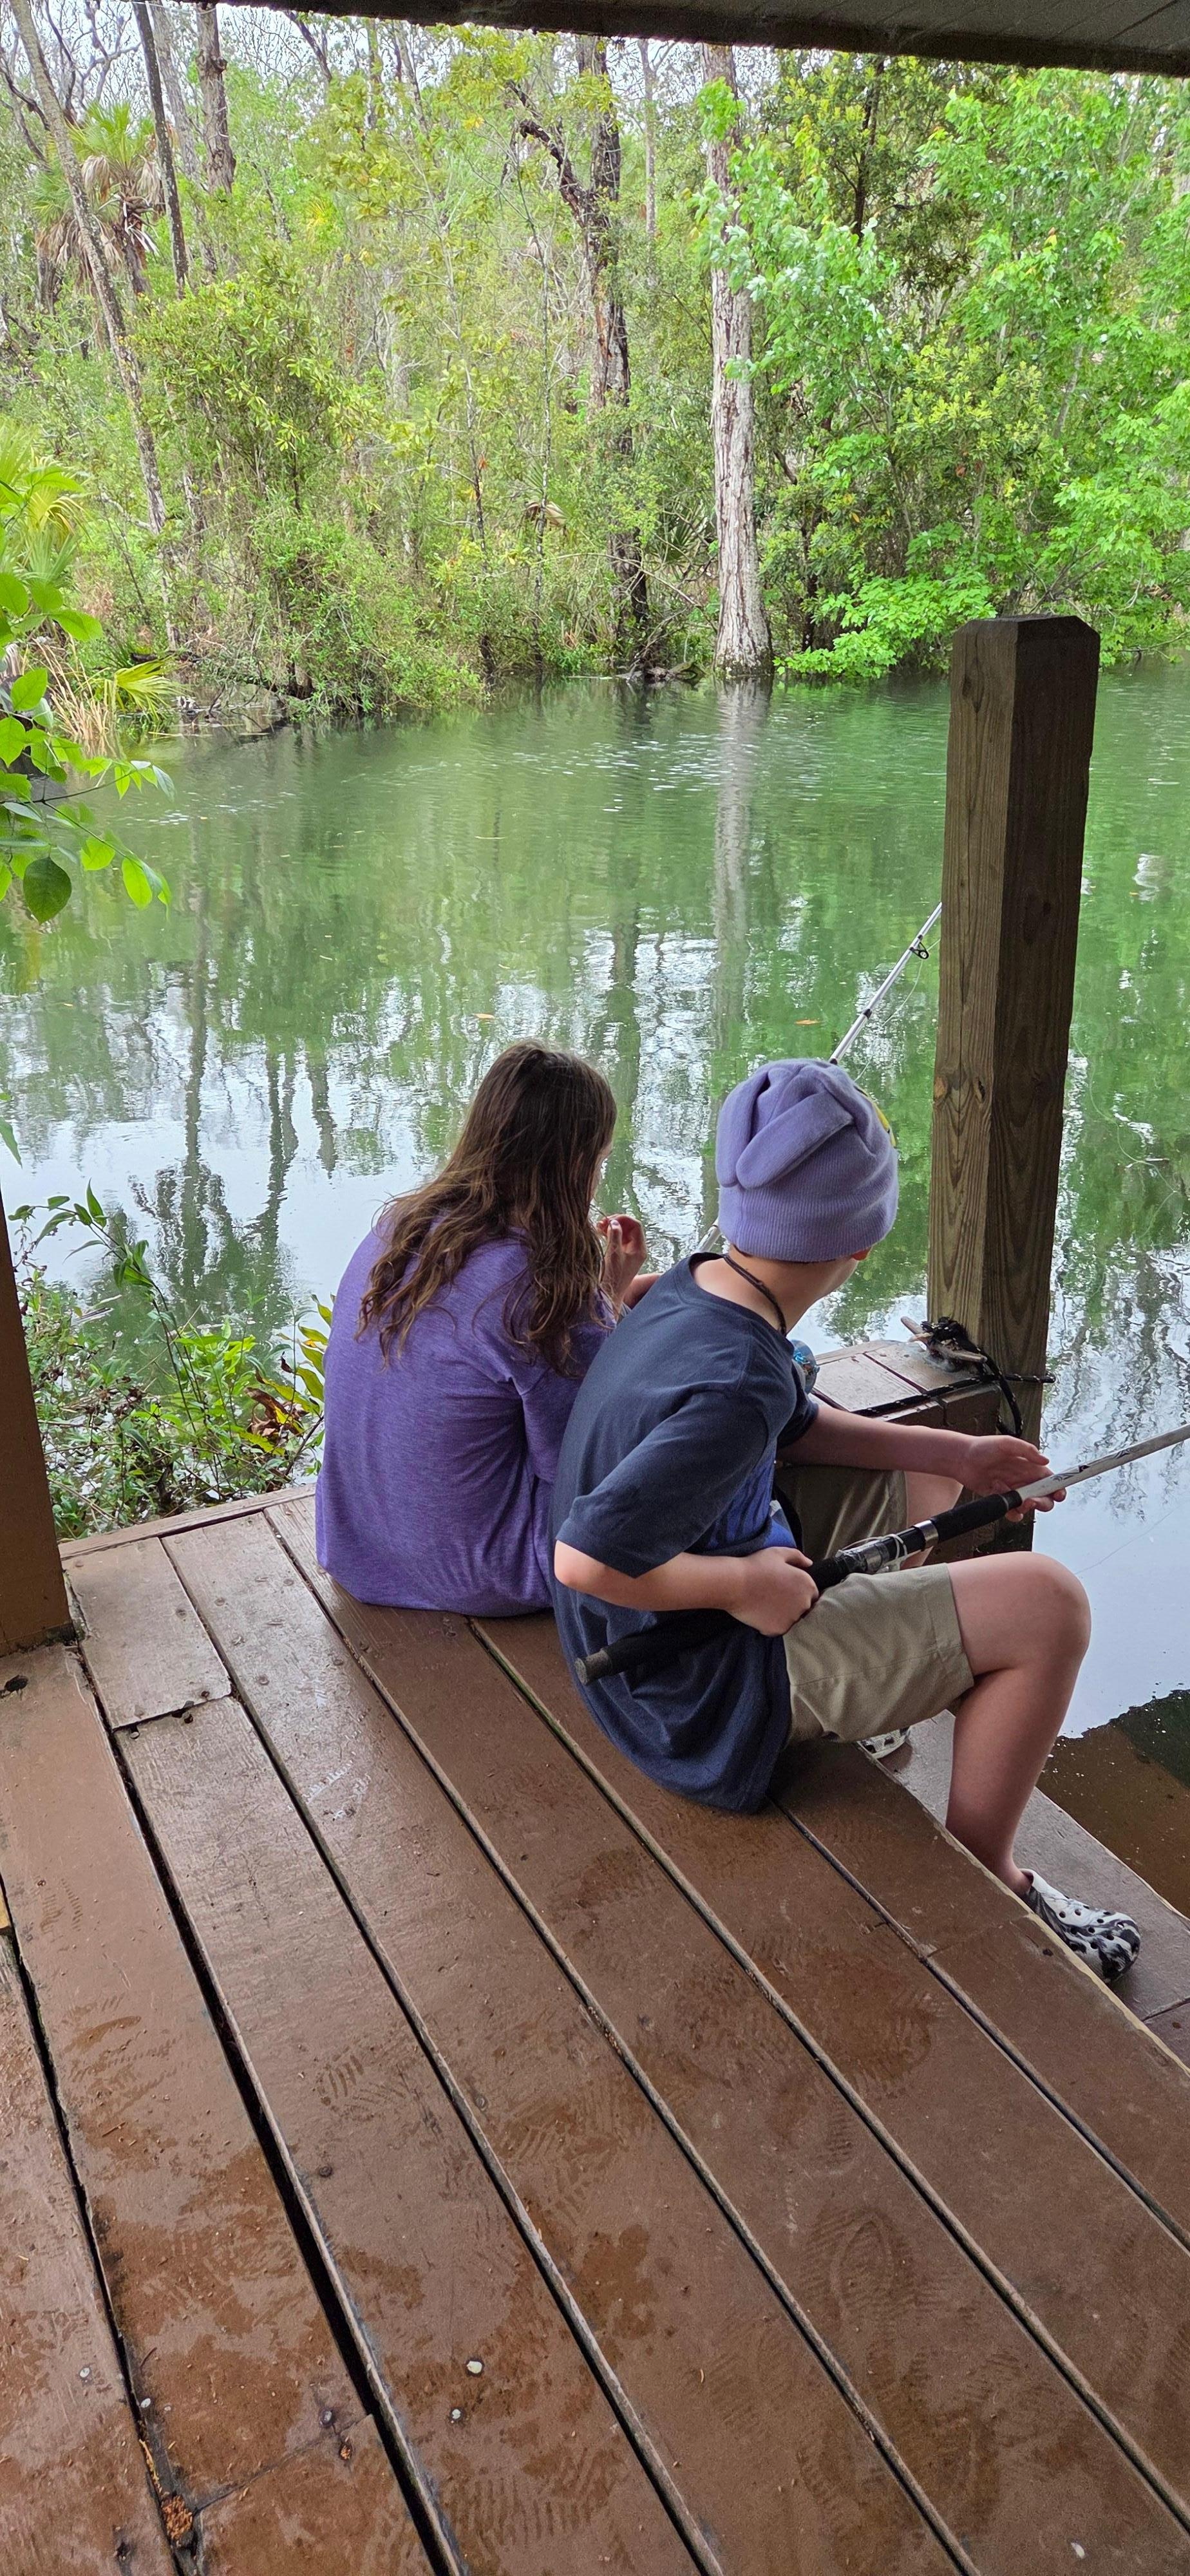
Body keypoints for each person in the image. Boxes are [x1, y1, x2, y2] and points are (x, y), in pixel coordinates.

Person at [551, 1058, 1140, 1982]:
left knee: (925, 1479)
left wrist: (960, 1455)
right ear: (860, 1243)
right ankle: (990, 1876)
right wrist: (740, 1587)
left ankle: (866, 1692)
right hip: (686, 1694)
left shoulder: (700, 1288)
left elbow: (795, 1419)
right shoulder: (738, 1380)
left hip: (646, 1645)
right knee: (1049, 1606)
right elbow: (582, 1558)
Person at [317, 1041, 648, 1616]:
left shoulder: (400, 1228)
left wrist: (605, 1299)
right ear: (574, 1164)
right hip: (482, 1573)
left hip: (358, 1549)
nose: (597, 1177)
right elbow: (587, 1456)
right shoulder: (541, 1290)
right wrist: (603, 1315)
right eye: (599, 1160)